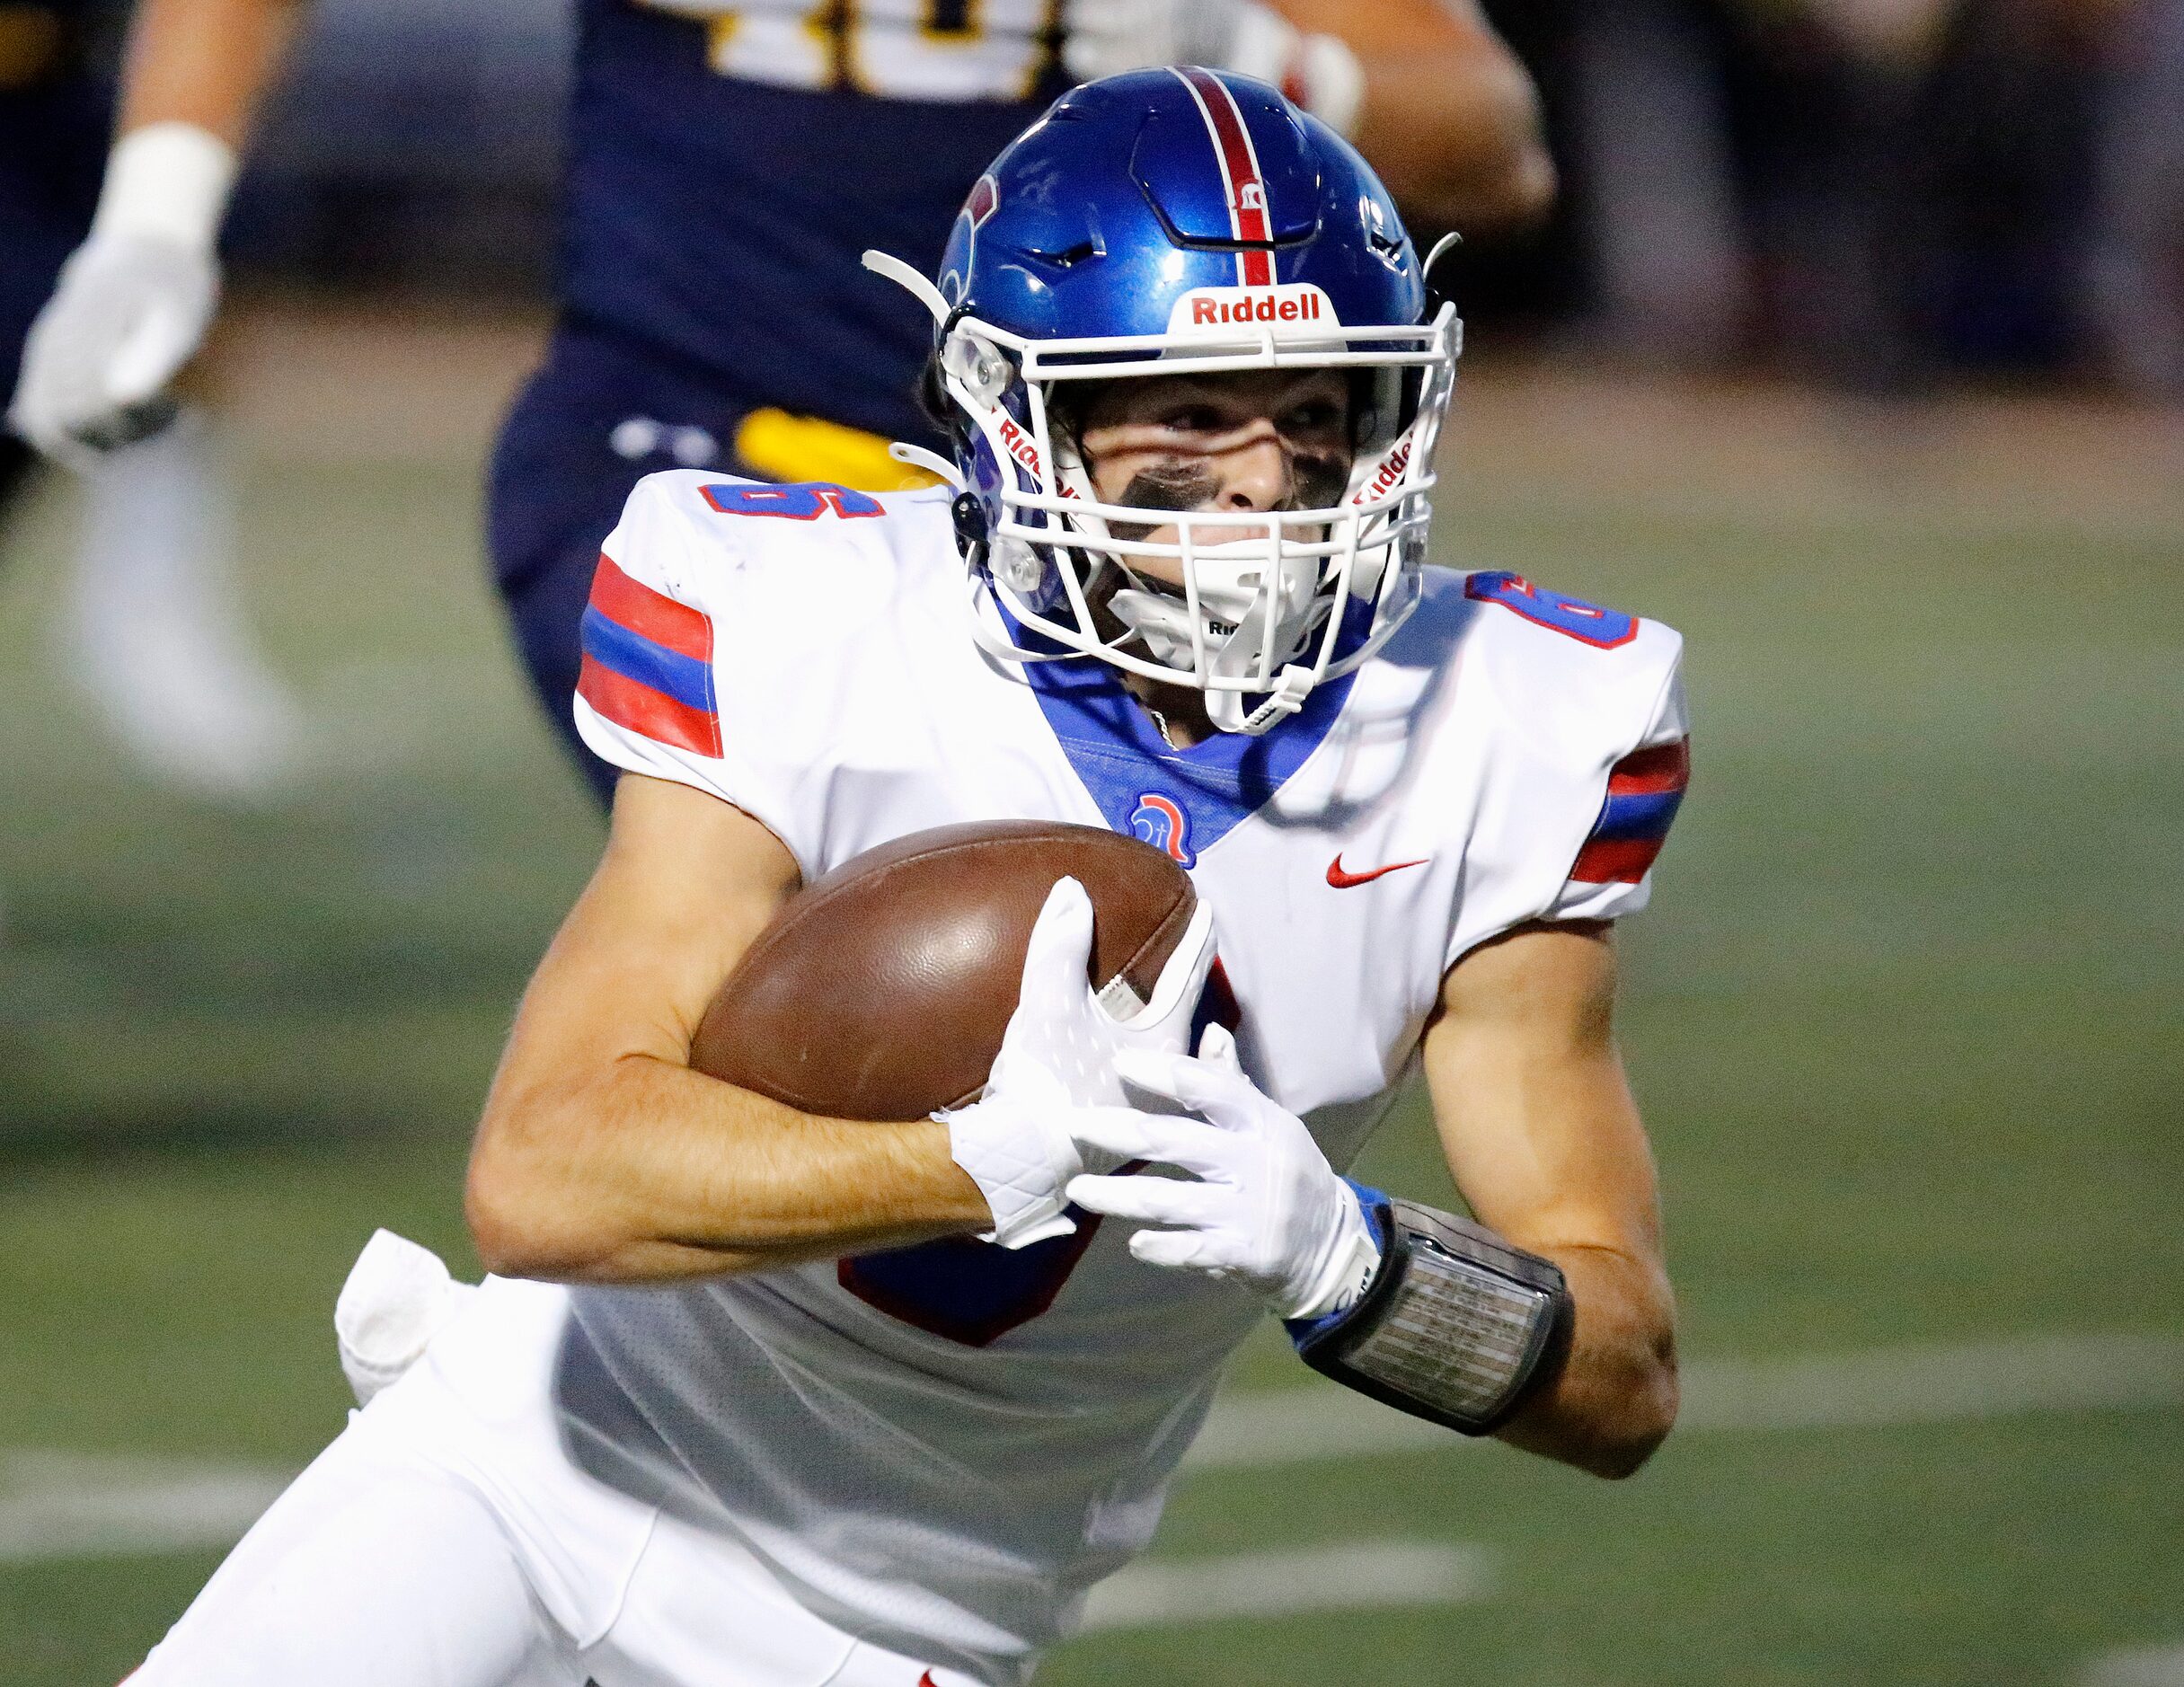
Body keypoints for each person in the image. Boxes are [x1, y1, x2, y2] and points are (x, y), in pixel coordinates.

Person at [128, 70, 1681, 1687]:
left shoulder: (1508, 728)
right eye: (1188, 409)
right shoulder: (810, 616)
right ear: (1017, 416)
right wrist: (983, 1159)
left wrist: (1352, 1260)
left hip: (900, 1627)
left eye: (1315, 410)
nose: (1263, 485)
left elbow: (1625, 1377)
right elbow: (545, 1171)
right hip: (537, 1465)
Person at [6, 0, 1554, 808]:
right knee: (848, 949)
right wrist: (156, 211)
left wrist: (1263, 56)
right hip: (689, 468)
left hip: (1054, 519)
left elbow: (1495, 149)